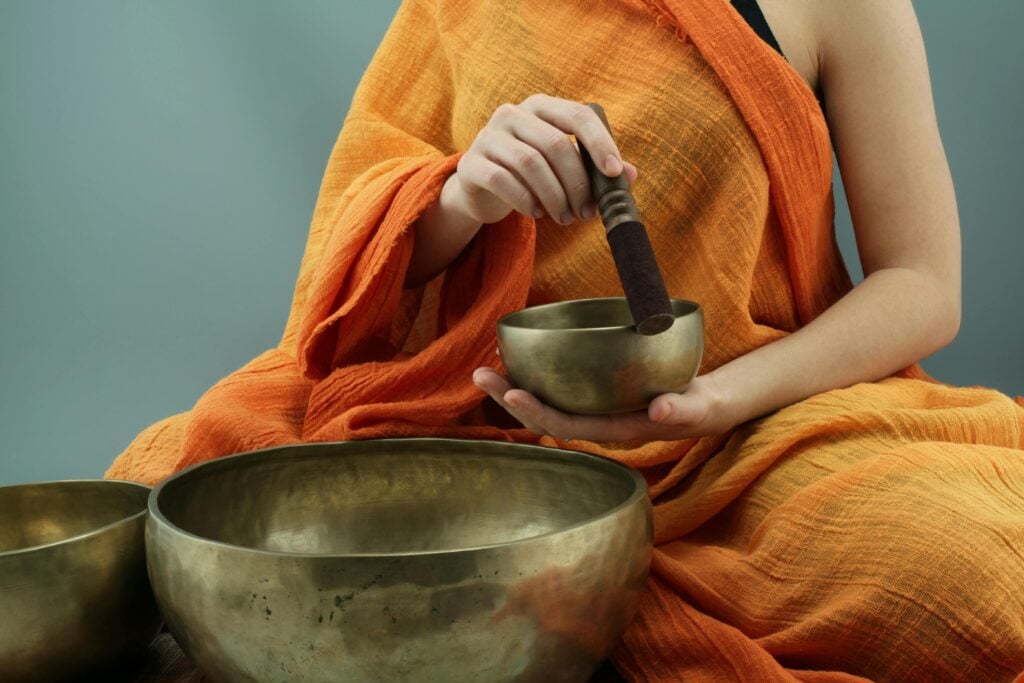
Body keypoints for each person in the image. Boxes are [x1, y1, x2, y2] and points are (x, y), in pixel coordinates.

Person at [108, 0, 1024, 679]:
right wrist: (466, 192)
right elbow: (344, 282)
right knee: (156, 491)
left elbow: (924, 285)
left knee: (972, 574)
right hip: (472, 424)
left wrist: (715, 401)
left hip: (752, 438)